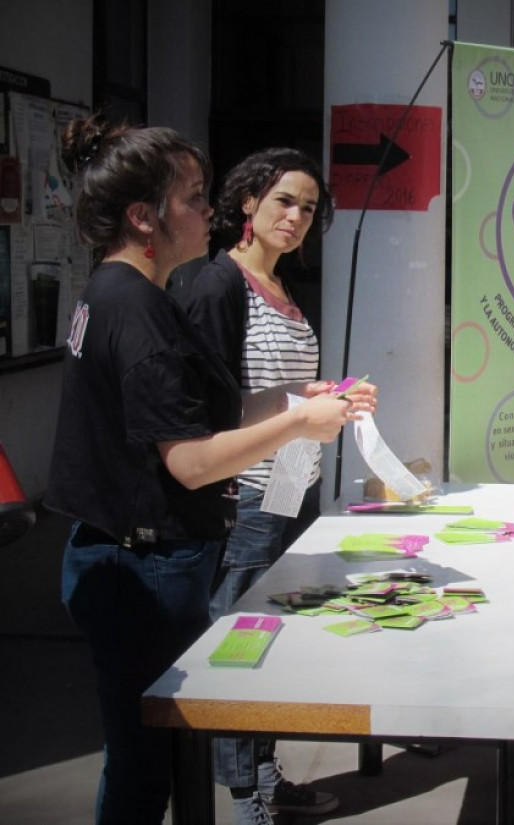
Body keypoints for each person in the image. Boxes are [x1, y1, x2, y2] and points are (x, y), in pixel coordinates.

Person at [45, 116, 364, 825]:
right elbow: (189, 460)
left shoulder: (116, 292)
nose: (207, 210)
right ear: (143, 216)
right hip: (142, 566)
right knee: (145, 769)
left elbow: (190, 414)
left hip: (131, 557)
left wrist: (291, 403)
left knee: (146, 759)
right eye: (191, 197)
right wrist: (295, 423)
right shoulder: (144, 309)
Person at [169, 147, 375, 824]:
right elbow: (202, 411)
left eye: (309, 208)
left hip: (289, 487)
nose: (297, 217)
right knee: (239, 640)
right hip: (246, 494)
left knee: (273, 637)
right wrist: (295, 412)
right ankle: (242, 795)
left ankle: (264, 772)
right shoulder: (217, 284)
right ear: (248, 201)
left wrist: (322, 397)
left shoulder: (283, 289)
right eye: (285, 200)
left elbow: (269, 392)